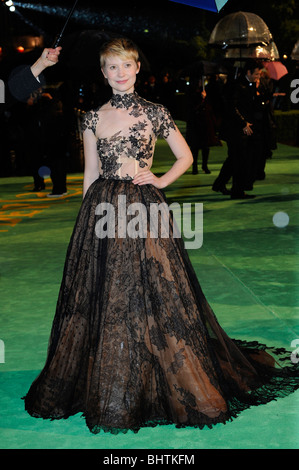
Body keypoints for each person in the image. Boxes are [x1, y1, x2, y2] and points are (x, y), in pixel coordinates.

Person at [23, 38, 299, 434]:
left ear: (137, 69)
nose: (119, 73)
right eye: (111, 67)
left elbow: (185, 156)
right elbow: (89, 175)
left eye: (126, 66)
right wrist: (86, 223)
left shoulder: (155, 113)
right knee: (107, 292)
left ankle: (158, 366)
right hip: (102, 210)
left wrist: (160, 179)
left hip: (145, 209)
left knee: (158, 288)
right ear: (103, 73)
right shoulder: (90, 118)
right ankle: (114, 368)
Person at [8, 47, 68, 197]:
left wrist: (41, 64)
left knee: (54, 160)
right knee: (38, 159)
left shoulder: (49, 97)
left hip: (50, 135)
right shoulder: (28, 101)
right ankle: (42, 184)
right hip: (36, 134)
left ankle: (58, 187)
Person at [213, 60, 263, 199]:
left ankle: (219, 184)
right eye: (257, 74)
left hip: (241, 129)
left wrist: (256, 88)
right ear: (248, 72)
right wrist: (243, 123)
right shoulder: (236, 85)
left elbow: (252, 105)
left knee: (233, 159)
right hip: (236, 130)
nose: (258, 76)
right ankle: (237, 191)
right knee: (240, 161)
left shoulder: (249, 85)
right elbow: (231, 107)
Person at [186, 78, 220, 175]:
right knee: (195, 147)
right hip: (196, 123)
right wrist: (201, 98)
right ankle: (195, 167)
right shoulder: (192, 92)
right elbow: (192, 108)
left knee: (205, 146)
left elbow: (210, 106)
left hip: (205, 122)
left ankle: (204, 166)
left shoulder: (206, 91)